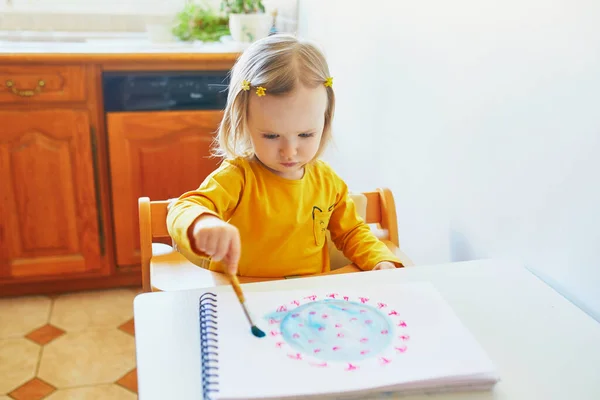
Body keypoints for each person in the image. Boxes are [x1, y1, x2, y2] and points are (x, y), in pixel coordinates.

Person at [167, 34, 403, 277]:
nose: (289, 151)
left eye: (305, 135)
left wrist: (379, 260)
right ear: (244, 122)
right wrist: (203, 223)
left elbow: (352, 232)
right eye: (271, 136)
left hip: (306, 302)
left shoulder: (327, 181)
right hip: (243, 301)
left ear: (325, 120)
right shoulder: (238, 177)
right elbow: (183, 208)